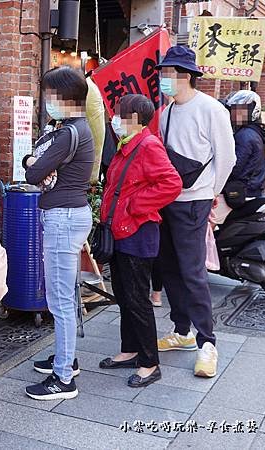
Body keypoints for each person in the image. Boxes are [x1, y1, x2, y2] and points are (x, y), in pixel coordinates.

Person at [156, 46, 236, 378]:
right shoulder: (166, 113)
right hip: (169, 199)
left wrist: (210, 192)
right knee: (169, 267)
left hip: (195, 201)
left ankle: (207, 343)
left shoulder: (211, 109)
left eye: (167, 74)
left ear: (185, 76)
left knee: (193, 272)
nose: (163, 80)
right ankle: (182, 330)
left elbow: (226, 157)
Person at [98, 94, 182, 388]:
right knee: (123, 295)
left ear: (134, 118)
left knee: (136, 299)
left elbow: (172, 183)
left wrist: (136, 206)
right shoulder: (128, 145)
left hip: (137, 232)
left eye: (120, 114)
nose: (115, 119)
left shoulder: (147, 145)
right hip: (121, 231)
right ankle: (130, 349)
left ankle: (150, 362)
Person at [22, 66, 94, 400]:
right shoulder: (76, 127)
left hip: (63, 219)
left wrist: (31, 164)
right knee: (66, 295)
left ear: (64, 96)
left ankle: (64, 378)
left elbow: (35, 171)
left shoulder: (67, 133)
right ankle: (66, 358)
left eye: (50, 94)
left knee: (60, 300)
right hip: (70, 215)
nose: (46, 100)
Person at [212, 90, 265, 222]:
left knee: (210, 221)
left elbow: (234, 166)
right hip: (251, 189)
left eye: (241, 110)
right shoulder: (253, 132)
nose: (235, 114)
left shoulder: (245, 135)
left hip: (241, 191)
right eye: (234, 110)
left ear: (252, 111)